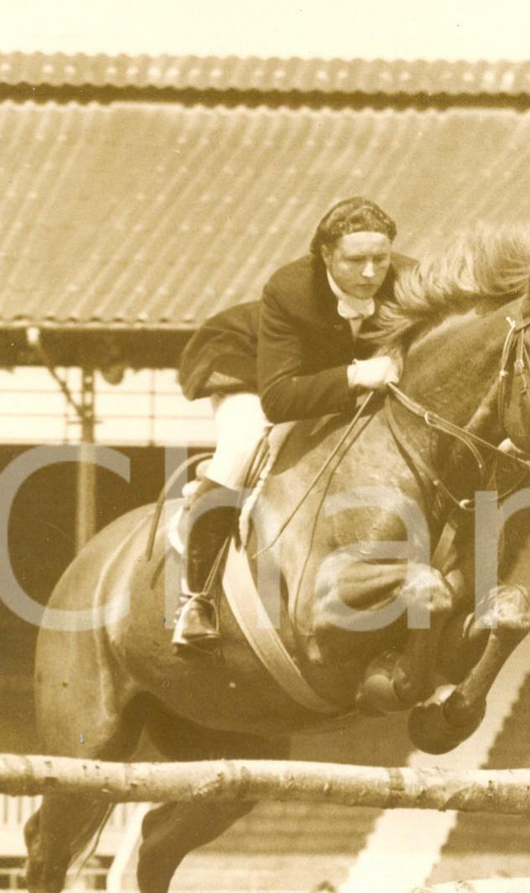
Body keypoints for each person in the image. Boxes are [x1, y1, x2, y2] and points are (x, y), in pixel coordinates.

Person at [172, 196, 411, 649]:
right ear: (325, 255)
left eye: (380, 259)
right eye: (355, 260)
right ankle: (195, 598)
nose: (369, 273)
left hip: (323, 376)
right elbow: (279, 398)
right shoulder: (289, 288)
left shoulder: (407, 280)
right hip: (247, 367)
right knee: (241, 448)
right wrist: (359, 373)